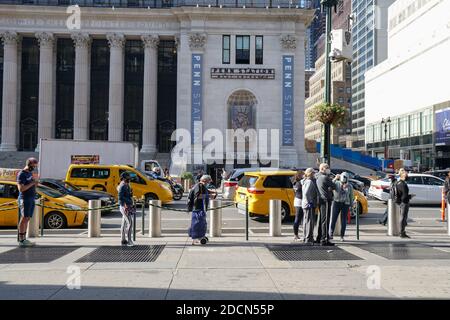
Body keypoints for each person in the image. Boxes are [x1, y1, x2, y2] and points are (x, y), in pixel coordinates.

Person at [16, 158, 39, 248]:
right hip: (24, 199)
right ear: (29, 165)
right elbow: (21, 189)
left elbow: (32, 184)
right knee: (24, 218)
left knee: (27, 218)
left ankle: (24, 238)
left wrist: (35, 183)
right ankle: (21, 239)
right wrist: (32, 183)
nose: (34, 168)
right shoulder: (22, 174)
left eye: (35, 166)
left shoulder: (29, 173)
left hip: (31, 198)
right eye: (33, 166)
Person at [329, 172, 354, 242]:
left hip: (345, 204)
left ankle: (342, 236)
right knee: (333, 218)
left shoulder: (350, 186)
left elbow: (351, 196)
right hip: (336, 202)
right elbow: (330, 186)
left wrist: (351, 207)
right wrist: (335, 178)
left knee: (343, 220)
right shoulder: (336, 183)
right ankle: (330, 233)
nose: (344, 181)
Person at [315, 163, 336, 246]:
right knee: (325, 220)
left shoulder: (317, 176)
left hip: (320, 199)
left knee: (320, 219)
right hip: (326, 200)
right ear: (322, 168)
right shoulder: (325, 178)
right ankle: (324, 239)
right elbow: (334, 186)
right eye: (327, 168)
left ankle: (319, 237)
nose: (329, 169)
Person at [187, 175, 211, 245]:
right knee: (198, 224)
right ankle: (197, 238)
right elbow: (198, 196)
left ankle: (198, 237)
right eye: (208, 181)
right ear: (204, 181)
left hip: (199, 209)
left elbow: (204, 191)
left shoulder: (200, 186)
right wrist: (209, 196)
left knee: (200, 224)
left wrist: (210, 192)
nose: (209, 183)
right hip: (198, 209)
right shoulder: (199, 186)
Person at [301, 168, 319, 245]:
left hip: (304, 204)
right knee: (309, 222)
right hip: (309, 204)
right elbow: (306, 193)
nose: (314, 174)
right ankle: (309, 239)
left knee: (306, 221)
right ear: (310, 174)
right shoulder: (309, 182)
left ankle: (305, 237)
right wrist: (310, 201)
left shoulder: (304, 181)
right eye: (313, 173)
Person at [117, 172, 135, 246]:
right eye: (128, 178)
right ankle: (129, 240)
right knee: (130, 223)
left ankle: (123, 239)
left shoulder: (126, 185)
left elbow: (126, 195)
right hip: (124, 206)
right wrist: (129, 201)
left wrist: (130, 195)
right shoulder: (122, 186)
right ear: (124, 178)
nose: (129, 179)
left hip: (126, 206)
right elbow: (120, 197)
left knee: (124, 223)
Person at [396, 168, 411, 238]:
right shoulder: (403, 184)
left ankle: (402, 232)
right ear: (403, 176)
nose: (407, 177)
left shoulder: (398, 183)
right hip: (404, 203)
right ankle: (402, 232)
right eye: (406, 175)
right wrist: (409, 196)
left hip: (400, 202)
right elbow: (404, 196)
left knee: (402, 217)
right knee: (403, 217)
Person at [292, 170, 304, 241]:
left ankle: (296, 234)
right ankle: (295, 235)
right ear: (300, 175)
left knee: (298, 218)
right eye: (303, 174)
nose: (304, 175)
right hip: (300, 201)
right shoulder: (299, 183)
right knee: (298, 218)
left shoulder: (295, 182)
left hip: (297, 200)